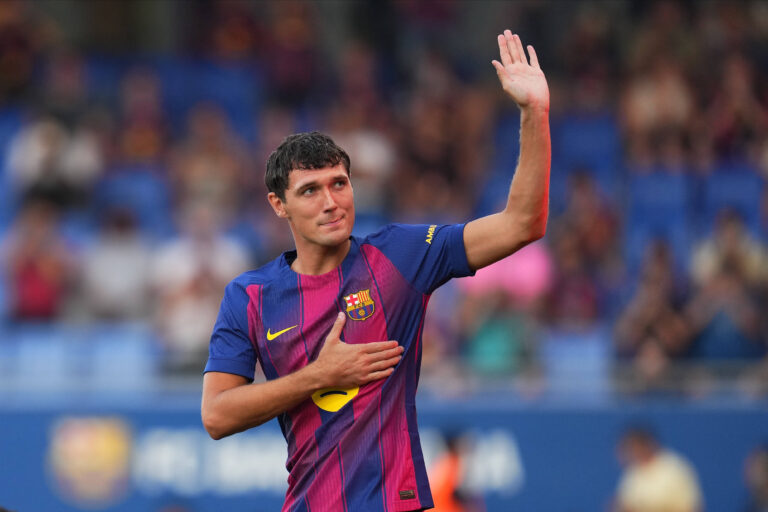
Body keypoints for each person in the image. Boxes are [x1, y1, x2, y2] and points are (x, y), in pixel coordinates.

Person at [201, 30, 550, 512]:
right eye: (310, 191)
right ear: (277, 205)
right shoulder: (250, 296)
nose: (331, 202)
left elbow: (521, 224)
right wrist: (317, 376)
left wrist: (534, 113)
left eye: (339, 183)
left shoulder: (400, 256)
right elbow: (217, 416)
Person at [615, 426, 703, 512]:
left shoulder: (675, 468)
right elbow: (625, 504)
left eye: (633, 447)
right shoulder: (631, 473)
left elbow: (692, 507)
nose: (630, 453)